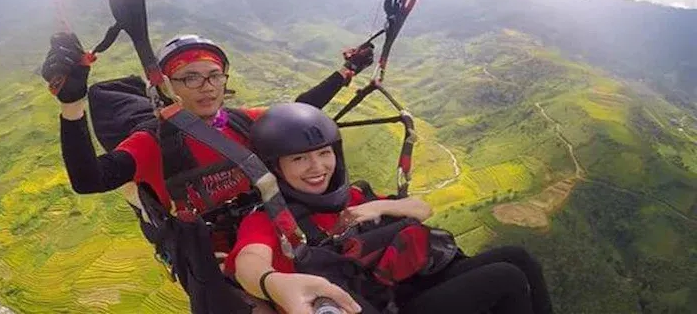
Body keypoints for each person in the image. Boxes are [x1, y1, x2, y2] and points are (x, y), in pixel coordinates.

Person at [40, 32, 374, 313]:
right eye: (191, 78)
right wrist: (72, 105)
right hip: (207, 261)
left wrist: (347, 71)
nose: (207, 87)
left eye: (215, 75)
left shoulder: (239, 123)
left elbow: (297, 111)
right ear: (167, 85)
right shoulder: (152, 142)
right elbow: (90, 180)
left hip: (264, 234)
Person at [226, 102, 554, 314]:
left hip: (405, 286)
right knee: (506, 278)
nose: (317, 167)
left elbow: (421, 209)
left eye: (324, 153)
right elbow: (249, 262)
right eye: (299, 158)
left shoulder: (354, 196)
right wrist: (274, 283)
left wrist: (378, 207)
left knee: (518, 256)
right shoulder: (271, 219)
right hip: (382, 306)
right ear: (276, 167)